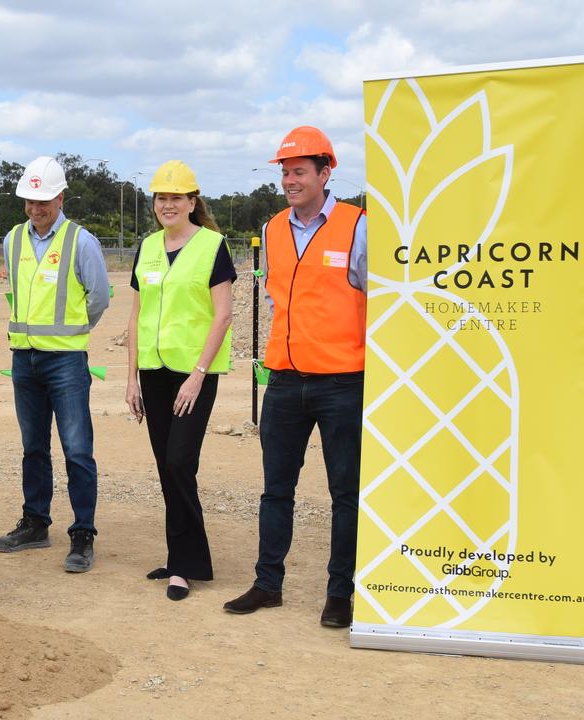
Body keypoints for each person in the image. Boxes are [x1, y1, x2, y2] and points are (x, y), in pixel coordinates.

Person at [223, 126, 367, 628]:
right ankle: (268, 584)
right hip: (284, 380)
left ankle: (339, 593)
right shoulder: (271, 229)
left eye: (299, 171)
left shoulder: (358, 225)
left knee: (344, 493)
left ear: (326, 173)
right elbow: (275, 298)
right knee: (275, 489)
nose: (289, 180)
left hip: (342, 383)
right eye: (285, 172)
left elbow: (380, 298)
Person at [0, 156, 110, 572]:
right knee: (33, 447)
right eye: (29, 200)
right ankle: (36, 523)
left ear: (60, 198)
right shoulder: (12, 241)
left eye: (43, 200)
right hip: (24, 361)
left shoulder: (81, 242)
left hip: (65, 362)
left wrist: (72, 334)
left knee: (77, 450)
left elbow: (99, 299)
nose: (35, 208)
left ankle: (82, 534)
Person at [125, 160, 234, 601]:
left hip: (194, 375)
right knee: (166, 469)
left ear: (193, 201)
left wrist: (198, 375)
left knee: (178, 463)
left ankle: (185, 566)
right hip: (153, 373)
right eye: (160, 197)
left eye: (176, 197)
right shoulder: (148, 247)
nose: (167, 205)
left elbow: (223, 314)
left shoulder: (213, 246)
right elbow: (135, 315)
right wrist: (130, 377)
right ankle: (182, 558)